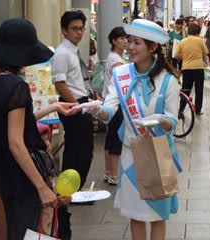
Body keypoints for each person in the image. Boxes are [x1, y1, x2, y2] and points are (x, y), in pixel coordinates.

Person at [0, 18, 78, 240]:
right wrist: (41, 187)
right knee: (28, 232)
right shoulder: (16, 86)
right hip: (24, 173)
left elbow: (12, 122)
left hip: (1, 170)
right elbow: (16, 142)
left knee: (16, 228)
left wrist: (53, 107)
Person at [84, 19, 181, 240]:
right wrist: (97, 110)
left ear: (152, 47)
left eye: (136, 43)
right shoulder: (122, 75)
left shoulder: (168, 80)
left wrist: (162, 121)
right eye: (128, 41)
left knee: (157, 215)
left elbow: (172, 122)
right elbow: (110, 109)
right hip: (130, 154)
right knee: (135, 215)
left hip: (157, 153)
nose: (129, 47)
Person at [51, 10, 93, 240]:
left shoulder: (72, 51)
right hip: (72, 106)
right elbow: (60, 84)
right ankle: (67, 192)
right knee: (77, 150)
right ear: (64, 30)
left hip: (80, 103)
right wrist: (76, 105)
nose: (79, 32)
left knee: (82, 150)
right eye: (74, 28)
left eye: (81, 28)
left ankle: (73, 190)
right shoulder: (61, 53)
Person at [102, 27, 127, 185]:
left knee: (110, 137)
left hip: (108, 102)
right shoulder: (116, 60)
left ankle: (108, 172)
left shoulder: (113, 56)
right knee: (116, 138)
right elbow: (121, 82)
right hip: (116, 103)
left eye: (126, 38)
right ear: (114, 41)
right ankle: (115, 176)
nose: (125, 41)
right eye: (122, 38)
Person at [174, 24, 208, 115]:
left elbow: (176, 55)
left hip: (186, 68)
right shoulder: (200, 40)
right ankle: (197, 110)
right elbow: (205, 52)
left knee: (186, 89)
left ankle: (181, 109)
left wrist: (184, 57)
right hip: (198, 67)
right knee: (199, 89)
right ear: (197, 32)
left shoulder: (183, 41)